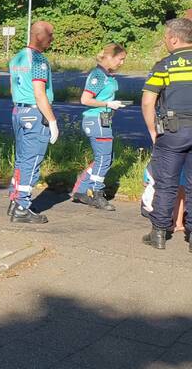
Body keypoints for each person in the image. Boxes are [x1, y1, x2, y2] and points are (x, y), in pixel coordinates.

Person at [140, 17, 192, 250]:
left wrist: (153, 130)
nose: (164, 41)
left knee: (166, 182)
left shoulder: (165, 65)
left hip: (173, 131)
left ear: (174, 39)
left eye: (165, 37)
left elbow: (147, 101)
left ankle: (159, 233)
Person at [7, 21, 58, 223]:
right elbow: (39, 93)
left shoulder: (17, 57)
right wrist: (52, 120)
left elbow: (12, 88)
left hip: (18, 111)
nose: (52, 39)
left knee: (21, 159)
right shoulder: (38, 60)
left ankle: (15, 199)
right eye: (50, 35)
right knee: (32, 160)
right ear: (39, 36)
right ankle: (22, 206)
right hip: (35, 113)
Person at [71, 43, 128, 210]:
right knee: (104, 158)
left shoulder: (107, 75)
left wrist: (112, 104)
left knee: (105, 158)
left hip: (103, 120)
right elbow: (85, 99)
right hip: (96, 120)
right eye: (120, 59)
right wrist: (108, 104)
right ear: (109, 57)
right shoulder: (98, 75)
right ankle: (96, 193)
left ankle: (81, 190)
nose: (122, 63)